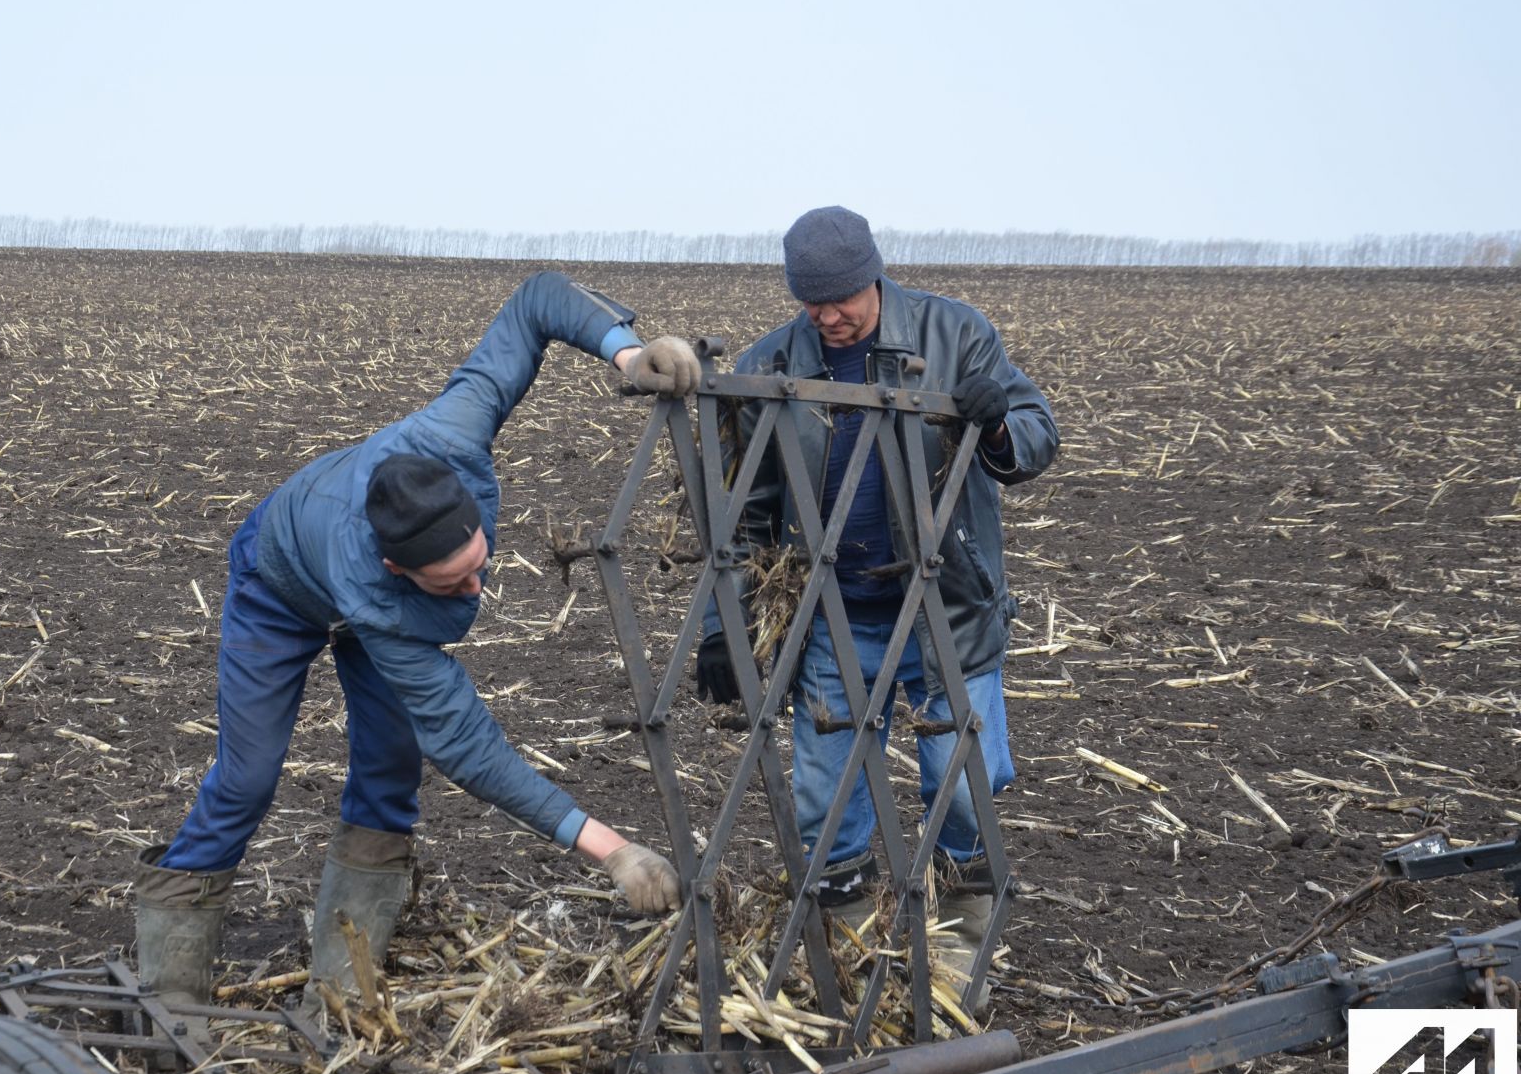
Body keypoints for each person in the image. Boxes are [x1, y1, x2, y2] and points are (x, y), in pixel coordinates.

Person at [133, 272, 699, 1027]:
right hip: (279, 582)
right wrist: (611, 849)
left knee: (387, 771)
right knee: (247, 777)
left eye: (478, 564)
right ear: (401, 572)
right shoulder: (380, 598)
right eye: (452, 583)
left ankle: (342, 990)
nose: (475, 592)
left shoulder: (453, 435)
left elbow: (535, 302)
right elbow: (466, 745)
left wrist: (628, 355)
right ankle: (170, 989)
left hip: (364, 567)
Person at [695, 206, 1058, 999]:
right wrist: (729, 623)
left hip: (945, 607)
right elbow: (747, 506)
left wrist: (995, 427)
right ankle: (854, 950)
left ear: (874, 275)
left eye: (842, 299)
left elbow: (1037, 433)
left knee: (961, 783)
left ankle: (961, 948)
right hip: (834, 614)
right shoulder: (773, 365)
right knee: (827, 792)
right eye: (812, 301)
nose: (828, 316)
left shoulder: (954, 336)